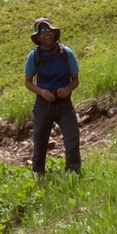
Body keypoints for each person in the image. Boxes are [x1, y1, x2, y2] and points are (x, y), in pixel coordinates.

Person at [24, 17, 80, 176]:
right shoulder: (33, 56)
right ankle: (38, 175)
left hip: (64, 104)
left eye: (47, 30)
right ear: (38, 38)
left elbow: (75, 80)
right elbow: (28, 82)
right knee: (40, 142)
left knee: (72, 139)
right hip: (43, 105)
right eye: (41, 32)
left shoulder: (66, 53)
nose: (46, 33)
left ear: (54, 33)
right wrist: (41, 92)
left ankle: (73, 174)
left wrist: (67, 89)